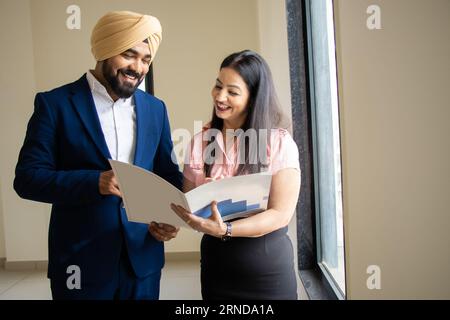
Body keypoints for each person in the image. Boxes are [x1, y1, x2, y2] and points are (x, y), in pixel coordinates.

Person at [13, 11, 182, 300]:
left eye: (146, 59)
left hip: (143, 261)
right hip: (80, 263)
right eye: (129, 55)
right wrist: (95, 182)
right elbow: (27, 179)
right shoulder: (54, 104)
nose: (138, 67)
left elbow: (167, 174)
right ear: (105, 49)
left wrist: (171, 216)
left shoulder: (156, 109)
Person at [171, 50, 301, 299]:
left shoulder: (277, 142)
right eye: (218, 86)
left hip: (266, 271)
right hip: (217, 267)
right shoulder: (200, 142)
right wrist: (203, 200)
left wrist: (226, 229)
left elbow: (280, 214)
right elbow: (189, 202)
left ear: (253, 98)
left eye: (232, 92)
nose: (220, 97)